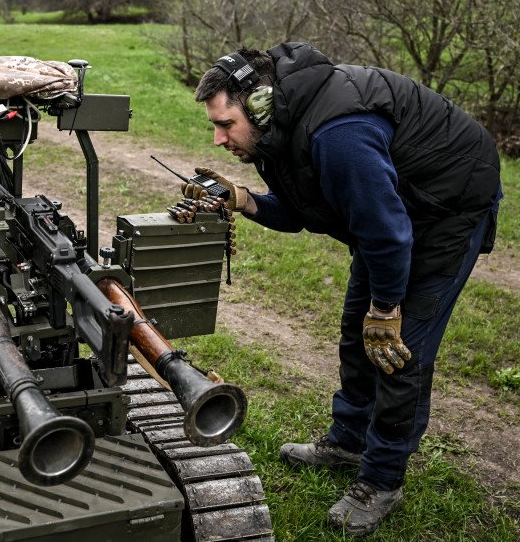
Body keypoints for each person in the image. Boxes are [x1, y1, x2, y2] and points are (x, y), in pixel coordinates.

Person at [182, 43, 501, 537]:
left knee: (399, 349)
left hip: (445, 208)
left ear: (262, 103)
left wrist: (387, 305)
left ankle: (382, 479)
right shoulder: (278, 132)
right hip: (393, 213)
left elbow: (387, 232)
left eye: (226, 124)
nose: (220, 139)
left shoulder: (339, 133)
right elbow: (307, 209)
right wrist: (243, 200)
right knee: (359, 333)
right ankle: (349, 441)